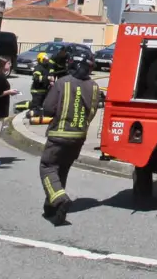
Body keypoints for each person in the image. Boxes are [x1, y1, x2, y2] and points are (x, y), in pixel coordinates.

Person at [38, 52, 103, 225]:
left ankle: (59, 200)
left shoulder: (63, 82)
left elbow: (48, 109)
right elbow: (93, 110)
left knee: (48, 167)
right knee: (62, 170)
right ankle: (52, 208)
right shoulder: (95, 87)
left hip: (59, 134)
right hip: (78, 137)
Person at [29, 52, 52, 119]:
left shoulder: (47, 67)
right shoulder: (38, 67)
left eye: (47, 60)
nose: (46, 61)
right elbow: (36, 78)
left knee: (42, 106)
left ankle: (39, 115)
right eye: (44, 60)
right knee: (36, 107)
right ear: (40, 60)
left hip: (44, 90)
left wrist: (51, 81)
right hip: (37, 91)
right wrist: (47, 78)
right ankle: (29, 114)